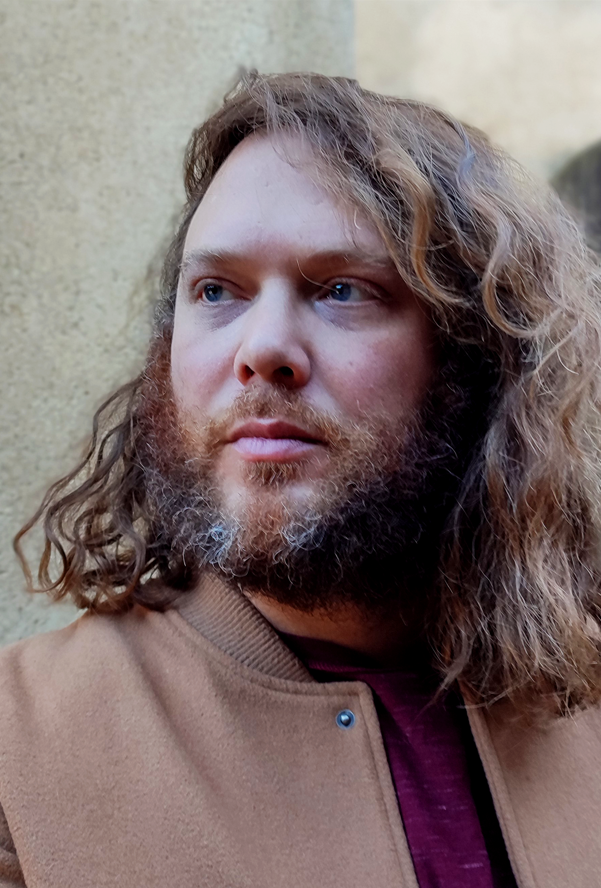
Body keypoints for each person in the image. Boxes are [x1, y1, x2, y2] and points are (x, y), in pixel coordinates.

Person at [1, 71, 601, 888]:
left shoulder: (580, 702)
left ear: (473, 356)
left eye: (342, 290)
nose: (262, 348)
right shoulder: (21, 755)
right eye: (216, 291)